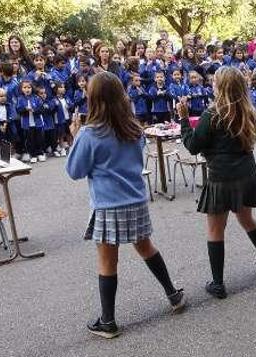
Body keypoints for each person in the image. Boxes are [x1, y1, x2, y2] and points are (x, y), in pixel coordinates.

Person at [66, 71, 185, 339]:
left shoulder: (89, 134)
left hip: (108, 205)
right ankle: (173, 294)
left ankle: (108, 321)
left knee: (108, 261)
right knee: (146, 247)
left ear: (93, 99)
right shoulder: (133, 128)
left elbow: (75, 170)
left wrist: (74, 137)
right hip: (136, 200)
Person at [177, 66, 256, 299]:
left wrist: (183, 120)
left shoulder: (212, 115)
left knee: (215, 229)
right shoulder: (246, 111)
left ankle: (218, 283)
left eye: (214, 83)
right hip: (246, 175)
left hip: (221, 178)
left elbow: (193, 146)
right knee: (247, 219)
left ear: (220, 88)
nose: (211, 85)